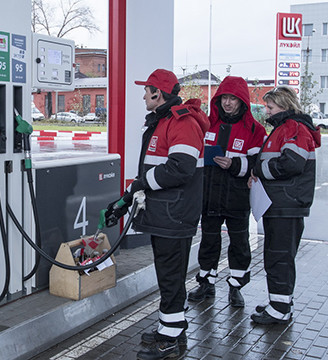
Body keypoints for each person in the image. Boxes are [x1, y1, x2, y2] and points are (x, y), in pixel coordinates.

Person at [105, 69, 209, 359]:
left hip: (174, 213)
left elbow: (180, 168)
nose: (143, 96)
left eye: (146, 90)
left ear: (157, 93)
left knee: (171, 274)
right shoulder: (163, 121)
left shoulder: (182, 123)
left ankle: (171, 339)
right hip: (166, 211)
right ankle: (171, 325)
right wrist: (128, 198)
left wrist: (140, 183)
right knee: (167, 273)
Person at [188, 76, 266, 307]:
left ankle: (236, 286)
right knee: (209, 241)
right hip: (210, 196)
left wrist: (234, 165)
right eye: (224, 98)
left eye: (233, 98)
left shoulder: (255, 129)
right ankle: (206, 283)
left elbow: (257, 164)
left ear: (242, 101)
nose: (228, 103)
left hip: (237, 198)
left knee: (239, 243)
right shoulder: (207, 124)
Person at [248, 86, 320, 324]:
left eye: (270, 107)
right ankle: (280, 302)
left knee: (279, 257)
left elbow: (292, 164)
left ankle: (279, 310)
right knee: (277, 256)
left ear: (284, 106)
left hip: (285, 205)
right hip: (281, 204)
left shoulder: (293, 128)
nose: (266, 111)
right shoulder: (287, 128)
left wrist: (260, 171)